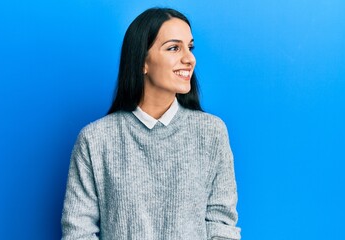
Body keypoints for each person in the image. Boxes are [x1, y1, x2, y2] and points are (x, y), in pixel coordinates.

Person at [61, 7, 241, 240]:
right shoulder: (95, 140)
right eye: (174, 48)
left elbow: (222, 224)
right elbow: (78, 232)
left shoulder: (211, 133)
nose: (189, 58)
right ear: (141, 62)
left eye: (190, 47)